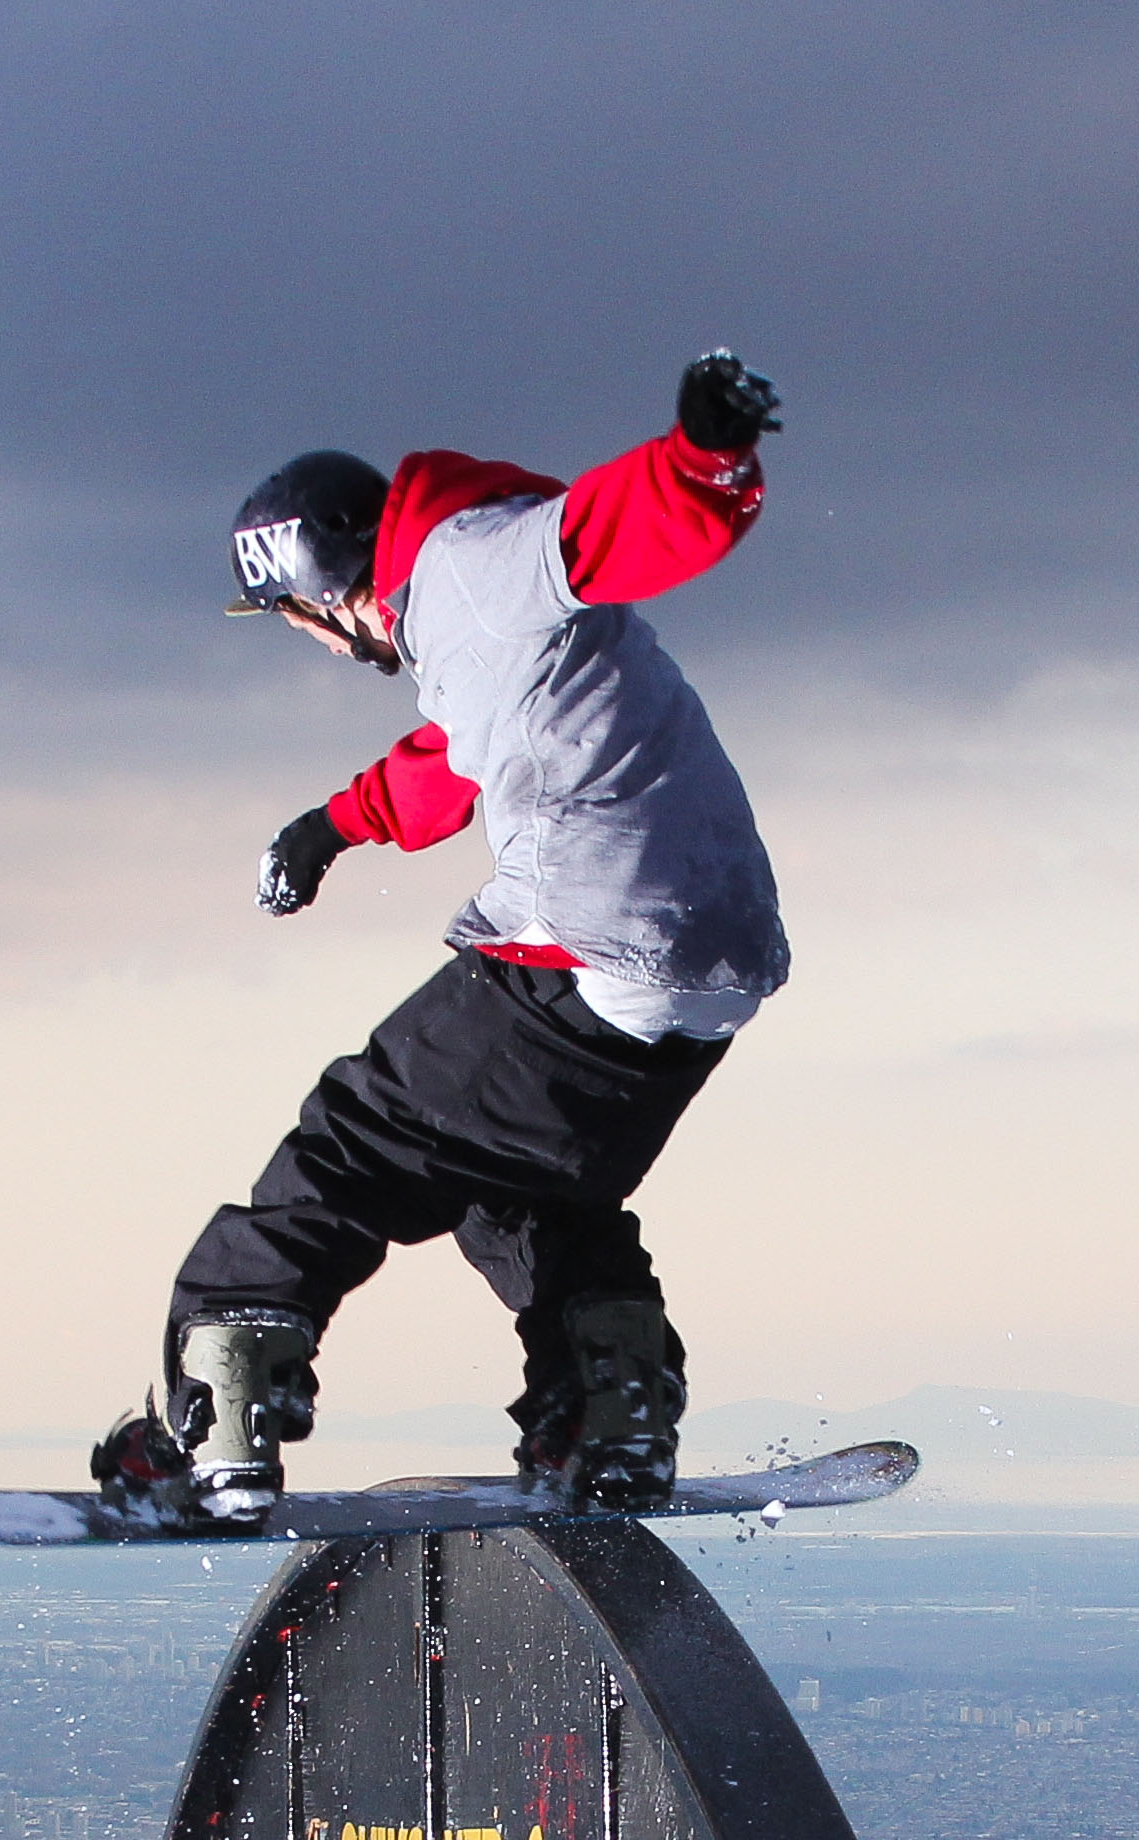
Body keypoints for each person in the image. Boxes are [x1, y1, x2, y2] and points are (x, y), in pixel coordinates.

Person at [96, 352, 789, 1524]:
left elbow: (610, 526)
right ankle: (605, 1418)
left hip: (588, 931)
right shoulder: (469, 625)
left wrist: (705, 458)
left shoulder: (476, 562)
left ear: (321, 593)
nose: (314, 647)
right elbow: (455, 758)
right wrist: (330, 826)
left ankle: (221, 1413)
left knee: (352, 1144)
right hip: (710, 958)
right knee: (526, 1186)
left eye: (295, 624)